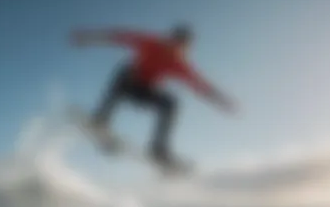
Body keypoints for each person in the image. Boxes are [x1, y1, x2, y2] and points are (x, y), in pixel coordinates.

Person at [69, 23, 236, 167]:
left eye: (181, 47)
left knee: (171, 103)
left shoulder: (178, 63)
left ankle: (158, 150)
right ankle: (101, 119)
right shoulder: (150, 42)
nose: (175, 49)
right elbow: (117, 36)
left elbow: (199, 85)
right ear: (171, 39)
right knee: (125, 72)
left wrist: (222, 101)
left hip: (145, 92)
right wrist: (86, 38)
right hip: (128, 84)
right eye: (175, 42)